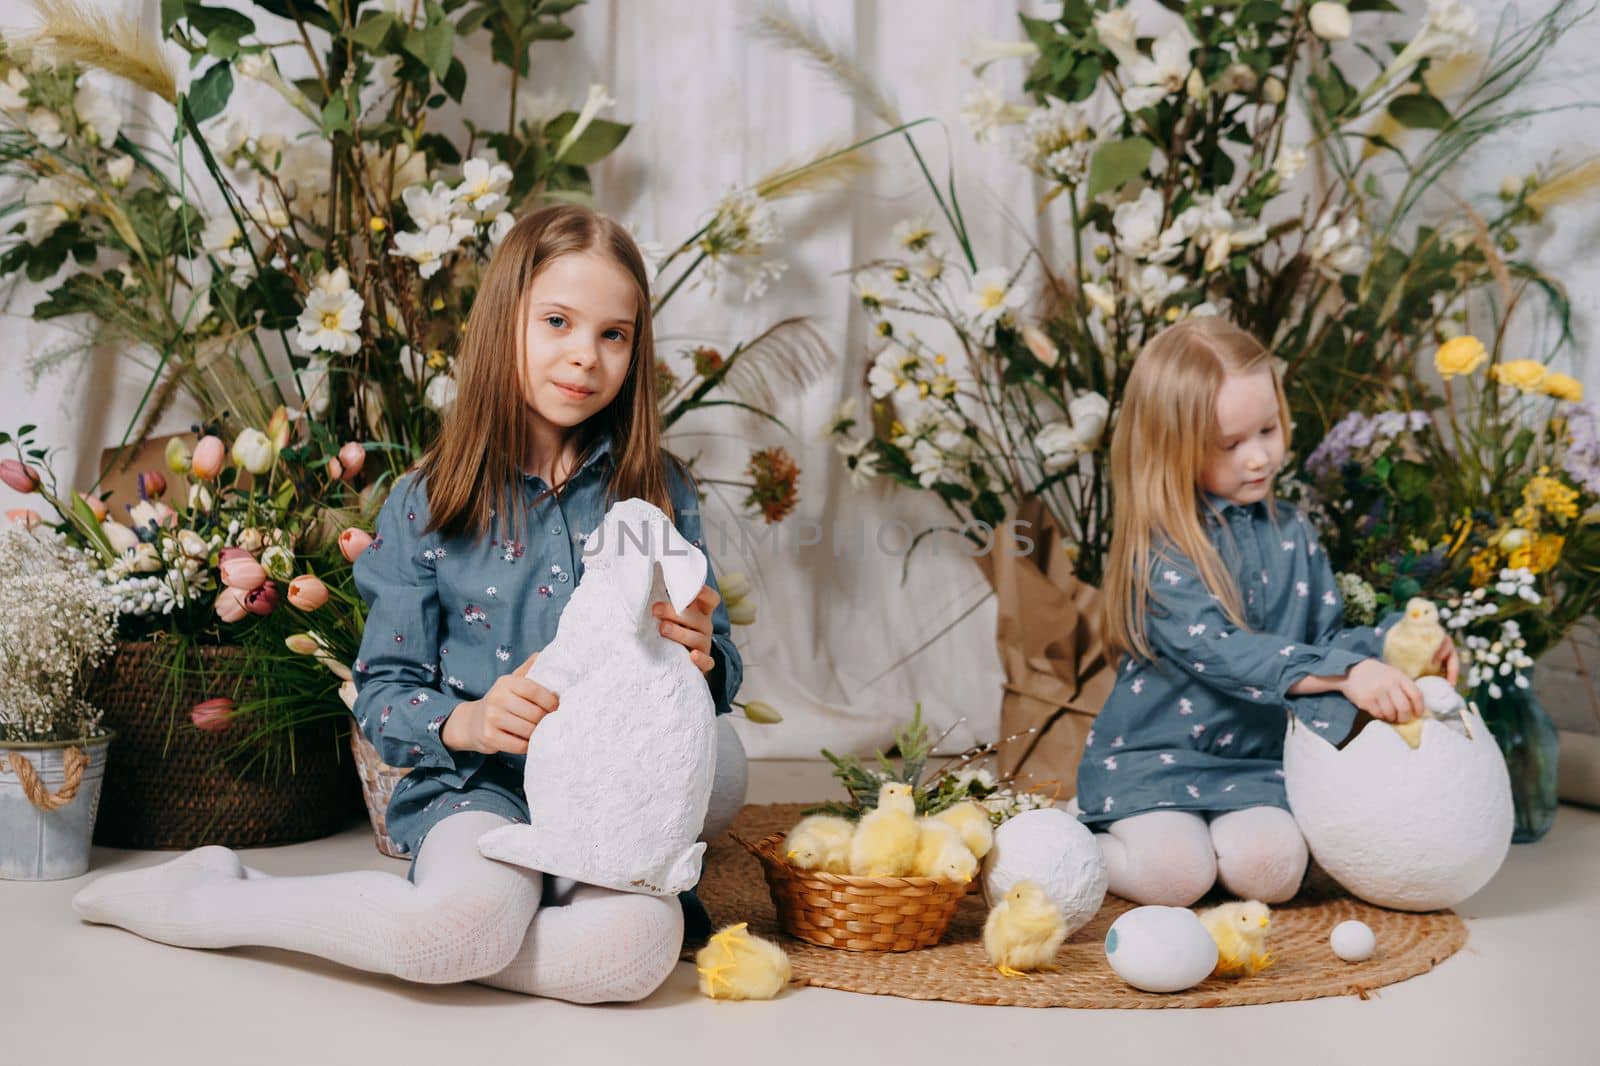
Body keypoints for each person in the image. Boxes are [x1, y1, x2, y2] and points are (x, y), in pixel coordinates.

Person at [71, 204, 743, 1004]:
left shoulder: (658, 491)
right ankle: (217, 898)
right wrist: (470, 721)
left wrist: (702, 653)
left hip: (607, 795)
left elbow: (720, 675)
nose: (584, 357)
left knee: (636, 951)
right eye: (557, 321)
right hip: (478, 786)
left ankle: (492, 924)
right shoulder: (428, 501)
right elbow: (383, 692)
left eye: (614, 335)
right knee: (452, 930)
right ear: (505, 324)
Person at [1078, 317, 1457, 907]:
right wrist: (1347, 675)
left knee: (1273, 872)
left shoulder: (1293, 531)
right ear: (1173, 449)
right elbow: (1226, 650)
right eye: (1229, 445)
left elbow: (1325, 632)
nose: (1258, 457)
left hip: (1256, 765)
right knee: (1174, 877)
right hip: (1154, 764)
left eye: (1267, 429)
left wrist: (1396, 649)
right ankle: (1074, 836)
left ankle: (1207, 854)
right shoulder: (1162, 548)